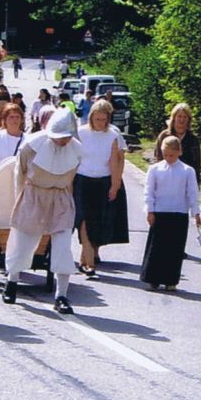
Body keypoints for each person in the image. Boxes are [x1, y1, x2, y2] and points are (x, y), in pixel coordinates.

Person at [2, 107, 82, 314]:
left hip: (60, 198)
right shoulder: (31, 146)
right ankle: (12, 281)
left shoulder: (77, 150)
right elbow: (19, 174)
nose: (62, 141)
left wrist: (69, 201)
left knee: (63, 247)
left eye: (66, 137)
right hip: (33, 195)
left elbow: (71, 178)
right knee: (22, 243)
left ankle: (61, 295)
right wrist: (20, 198)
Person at [73, 99, 129, 276]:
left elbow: (118, 160)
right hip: (82, 180)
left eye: (104, 119)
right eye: (97, 119)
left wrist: (115, 184)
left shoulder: (113, 134)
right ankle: (88, 262)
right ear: (91, 117)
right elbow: (73, 157)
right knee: (82, 219)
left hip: (103, 181)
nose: (100, 123)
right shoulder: (80, 132)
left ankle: (88, 257)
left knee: (96, 221)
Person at [140, 135, 201, 290]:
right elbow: (149, 190)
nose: (169, 158)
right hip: (160, 212)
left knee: (174, 248)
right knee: (157, 247)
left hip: (179, 213)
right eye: (166, 155)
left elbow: (192, 193)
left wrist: (196, 212)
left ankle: (171, 280)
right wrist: (150, 210)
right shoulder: (155, 169)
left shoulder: (188, 171)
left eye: (172, 155)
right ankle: (153, 278)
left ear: (179, 152)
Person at [154, 103, 201, 184]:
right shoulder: (164, 136)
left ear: (188, 119)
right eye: (179, 116)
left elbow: (196, 165)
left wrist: (196, 184)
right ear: (174, 118)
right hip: (166, 179)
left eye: (184, 117)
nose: (182, 119)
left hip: (185, 180)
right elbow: (158, 157)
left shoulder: (193, 139)